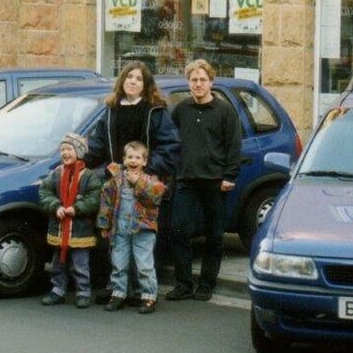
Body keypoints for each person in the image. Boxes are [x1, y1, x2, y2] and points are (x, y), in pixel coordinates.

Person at [85, 60, 179, 302]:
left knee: (142, 240)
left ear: (145, 84)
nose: (133, 82)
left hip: (144, 183)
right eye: (129, 77)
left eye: (138, 78)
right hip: (116, 184)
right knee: (118, 239)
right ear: (122, 81)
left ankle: (141, 290)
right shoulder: (111, 109)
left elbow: (170, 147)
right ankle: (118, 288)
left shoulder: (155, 111)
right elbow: (96, 145)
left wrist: (146, 170)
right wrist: (80, 162)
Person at [166, 59, 241, 302]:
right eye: (194, 80)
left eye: (202, 80)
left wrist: (229, 175)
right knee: (178, 230)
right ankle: (184, 284)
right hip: (186, 180)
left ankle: (206, 284)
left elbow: (233, 146)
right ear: (189, 83)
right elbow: (168, 138)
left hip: (215, 181)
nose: (198, 84)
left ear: (211, 82)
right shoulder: (181, 109)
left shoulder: (225, 111)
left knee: (214, 235)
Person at [96, 141, 168, 314]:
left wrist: (138, 183)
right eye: (130, 157)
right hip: (120, 229)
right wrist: (104, 222)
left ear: (144, 161)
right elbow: (106, 200)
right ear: (124, 159)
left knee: (144, 264)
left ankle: (149, 296)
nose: (133, 161)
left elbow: (156, 196)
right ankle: (118, 293)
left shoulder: (150, 180)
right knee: (119, 263)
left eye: (137, 157)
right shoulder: (116, 180)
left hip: (142, 230)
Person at [38, 133, 103, 309]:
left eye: (69, 149)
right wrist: (56, 206)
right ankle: (57, 290)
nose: (64, 153)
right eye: (62, 150)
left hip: (80, 230)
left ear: (79, 152)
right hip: (59, 229)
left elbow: (93, 198)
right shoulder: (56, 173)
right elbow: (45, 192)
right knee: (58, 263)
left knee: (80, 265)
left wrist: (77, 208)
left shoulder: (89, 176)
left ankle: (83, 292)